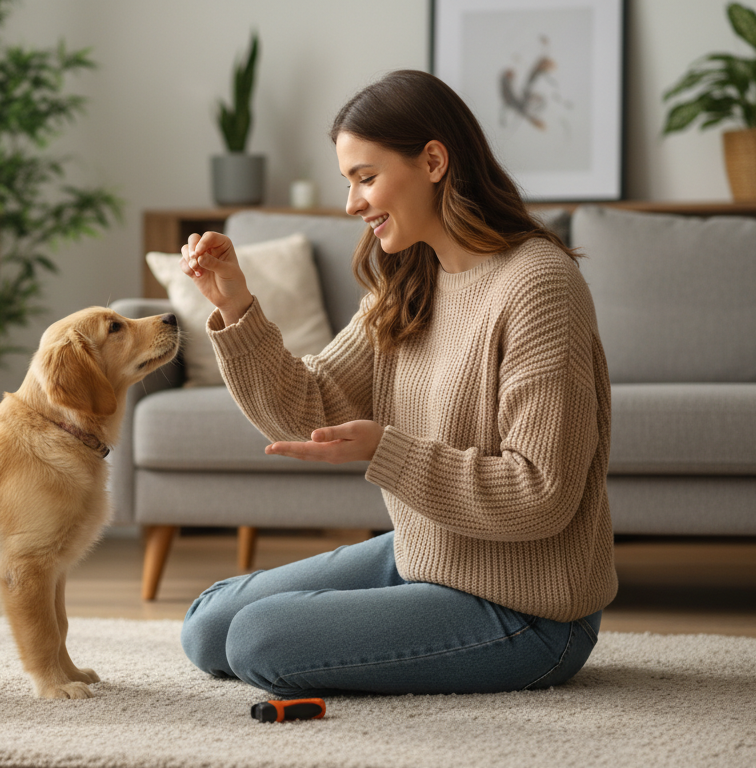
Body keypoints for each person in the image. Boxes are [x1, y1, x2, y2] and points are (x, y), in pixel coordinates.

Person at [176, 69, 617, 697]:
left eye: (365, 177)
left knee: (257, 640)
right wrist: (237, 306)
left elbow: (541, 493)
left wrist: (389, 449)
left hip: (531, 610)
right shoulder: (408, 282)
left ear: (434, 161)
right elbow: (310, 409)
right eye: (349, 182)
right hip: (426, 557)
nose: (353, 203)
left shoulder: (538, 286)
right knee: (207, 625)